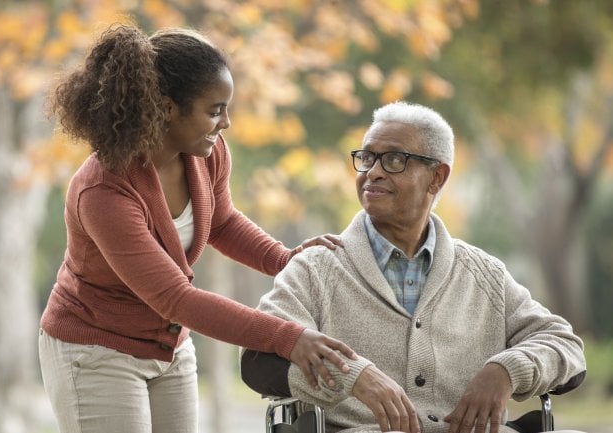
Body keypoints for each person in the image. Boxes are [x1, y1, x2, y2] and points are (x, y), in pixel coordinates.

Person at [38, 23, 359, 433]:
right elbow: (175, 298)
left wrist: (285, 260)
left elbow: (222, 221)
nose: (226, 122)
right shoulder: (104, 190)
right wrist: (288, 339)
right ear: (167, 108)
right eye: (214, 110)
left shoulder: (206, 152)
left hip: (169, 347)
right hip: (95, 350)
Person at [241, 101, 587, 433]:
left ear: (437, 177)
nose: (372, 173)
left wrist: (507, 370)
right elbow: (259, 358)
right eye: (366, 158)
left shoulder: (485, 275)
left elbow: (565, 346)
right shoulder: (315, 269)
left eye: (393, 160)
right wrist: (353, 376)